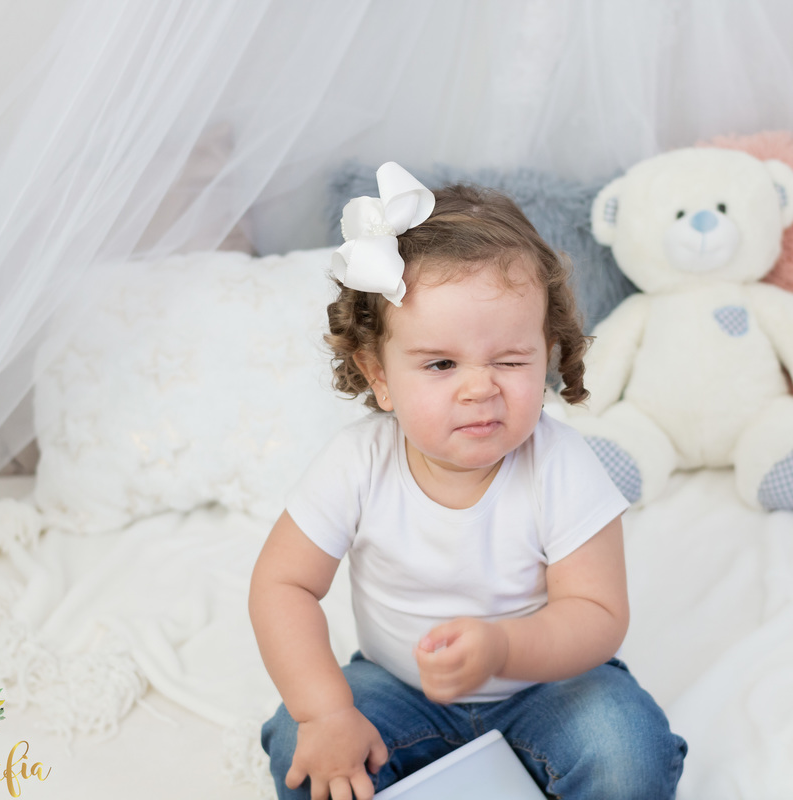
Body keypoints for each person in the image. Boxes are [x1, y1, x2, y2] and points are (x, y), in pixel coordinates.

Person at [250, 163, 686, 800]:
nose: (480, 386)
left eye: (510, 361)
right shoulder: (357, 463)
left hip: (547, 684)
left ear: (548, 354)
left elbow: (596, 615)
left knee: (627, 749)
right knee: (302, 747)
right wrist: (326, 712)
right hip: (397, 689)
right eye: (441, 363)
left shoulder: (562, 464)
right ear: (379, 375)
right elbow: (281, 584)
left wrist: (502, 649)